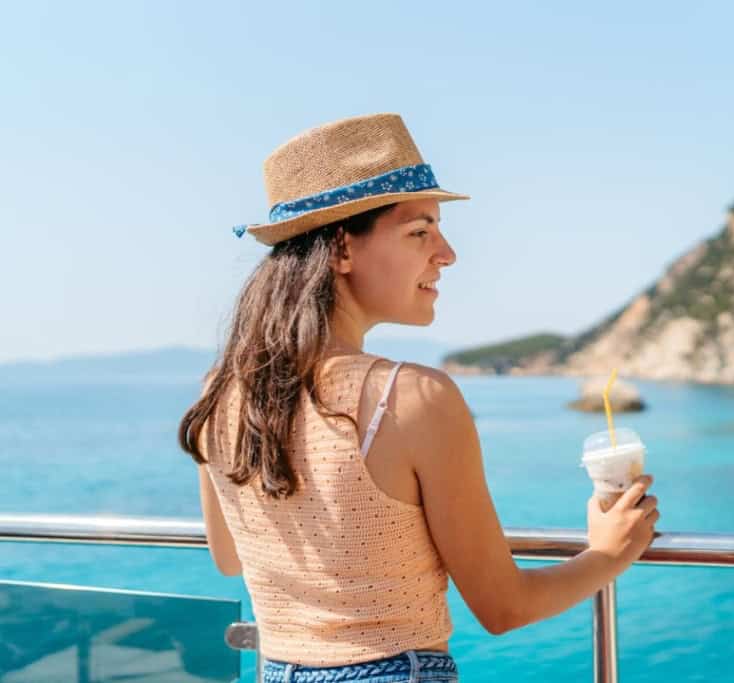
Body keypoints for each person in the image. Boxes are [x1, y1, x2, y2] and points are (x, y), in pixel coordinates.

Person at [178, 113, 659, 683]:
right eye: (419, 231)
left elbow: (231, 558)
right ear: (341, 248)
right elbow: (505, 607)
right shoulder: (411, 397)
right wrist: (609, 553)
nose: (447, 253)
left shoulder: (224, 390)